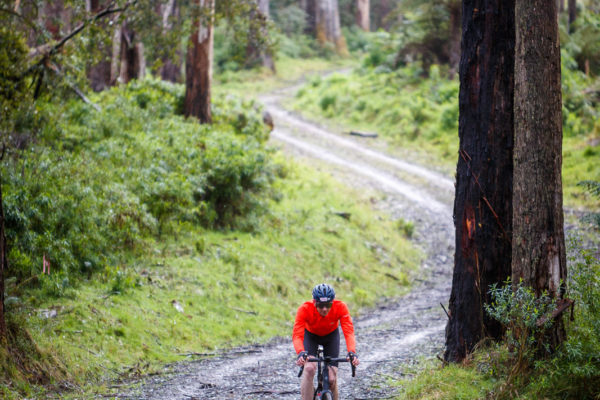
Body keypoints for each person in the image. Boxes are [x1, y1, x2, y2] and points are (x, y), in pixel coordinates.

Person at [293, 283, 360, 400]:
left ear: (332, 302)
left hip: (331, 337)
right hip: (311, 336)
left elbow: (348, 331)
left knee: (331, 379)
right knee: (309, 369)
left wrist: (351, 351)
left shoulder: (340, 307)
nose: (325, 309)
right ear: (314, 302)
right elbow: (297, 335)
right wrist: (300, 352)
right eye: (320, 305)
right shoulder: (304, 309)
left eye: (328, 305)